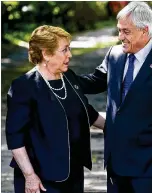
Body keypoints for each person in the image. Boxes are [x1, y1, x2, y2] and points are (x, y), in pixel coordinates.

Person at [75, 2, 152, 193]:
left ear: (145, 31)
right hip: (116, 157)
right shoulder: (114, 54)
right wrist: (61, 76)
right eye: (119, 31)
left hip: (149, 160)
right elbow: (94, 81)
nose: (120, 37)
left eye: (126, 31)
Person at [5, 25, 105, 193]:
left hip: (73, 173)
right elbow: (15, 138)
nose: (70, 55)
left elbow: (85, 111)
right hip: (41, 177)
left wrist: (114, 128)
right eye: (64, 50)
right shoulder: (24, 86)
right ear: (46, 53)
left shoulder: (68, 77)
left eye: (69, 49)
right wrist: (30, 176)